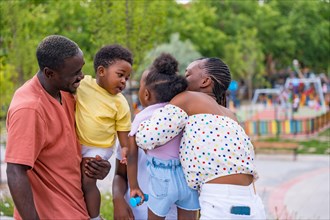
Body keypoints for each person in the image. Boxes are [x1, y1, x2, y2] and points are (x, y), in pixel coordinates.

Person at [136, 57, 266, 219]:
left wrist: (141, 119)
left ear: (205, 81)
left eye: (188, 74)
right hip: (252, 202)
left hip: (221, 201)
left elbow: (147, 138)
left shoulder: (188, 99)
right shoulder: (230, 115)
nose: (182, 79)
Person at [5, 35, 110, 219]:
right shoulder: (30, 109)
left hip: (78, 209)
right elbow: (15, 171)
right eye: (74, 72)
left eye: (81, 68)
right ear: (49, 73)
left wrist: (99, 167)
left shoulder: (66, 92)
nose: (81, 76)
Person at [126, 53, 200, 219]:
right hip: (187, 178)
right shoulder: (181, 113)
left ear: (146, 94)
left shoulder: (143, 116)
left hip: (161, 179)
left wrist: (134, 186)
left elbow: (131, 154)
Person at [75, 44, 133, 219]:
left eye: (127, 78)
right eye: (120, 75)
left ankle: (95, 216)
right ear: (101, 71)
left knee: (88, 180)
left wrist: (124, 150)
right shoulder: (83, 84)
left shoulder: (119, 102)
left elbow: (123, 130)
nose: (124, 81)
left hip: (99, 147)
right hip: (76, 142)